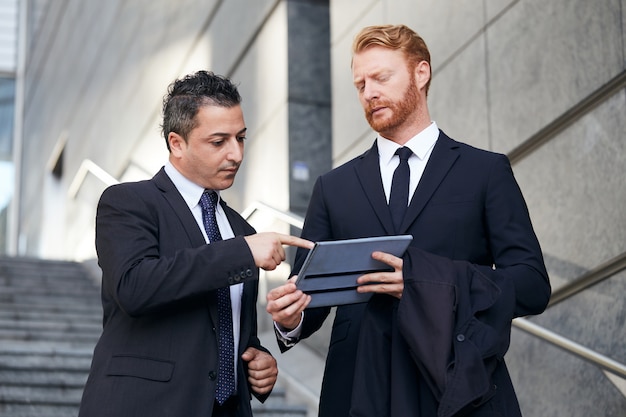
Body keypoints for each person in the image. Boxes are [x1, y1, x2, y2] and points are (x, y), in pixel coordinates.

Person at [266, 24, 551, 417]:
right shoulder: (333, 187)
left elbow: (533, 285)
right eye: (360, 84)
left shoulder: (484, 171)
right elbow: (312, 295)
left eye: (381, 77)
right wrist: (291, 317)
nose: (369, 93)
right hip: (357, 392)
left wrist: (429, 283)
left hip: (455, 385)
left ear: (421, 73)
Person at [78, 70, 313, 417]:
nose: (235, 154)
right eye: (219, 142)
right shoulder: (127, 202)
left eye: (241, 138)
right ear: (177, 143)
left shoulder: (242, 229)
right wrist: (242, 252)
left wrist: (258, 358)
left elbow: (227, 329)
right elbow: (134, 287)